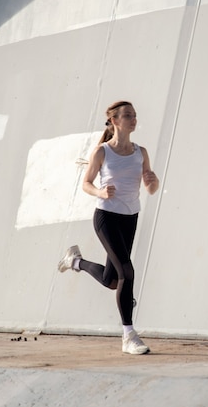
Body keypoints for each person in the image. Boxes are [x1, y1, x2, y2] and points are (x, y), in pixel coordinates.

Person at [58, 100, 159, 355]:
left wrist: (153, 181)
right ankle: (129, 336)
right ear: (114, 121)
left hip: (130, 218)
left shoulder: (141, 152)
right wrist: (101, 192)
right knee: (127, 272)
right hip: (106, 218)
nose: (133, 119)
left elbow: (150, 188)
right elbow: (86, 183)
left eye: (134, 115)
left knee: (112, 280)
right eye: (127, 116)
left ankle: (76, 262)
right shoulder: (102, 152)